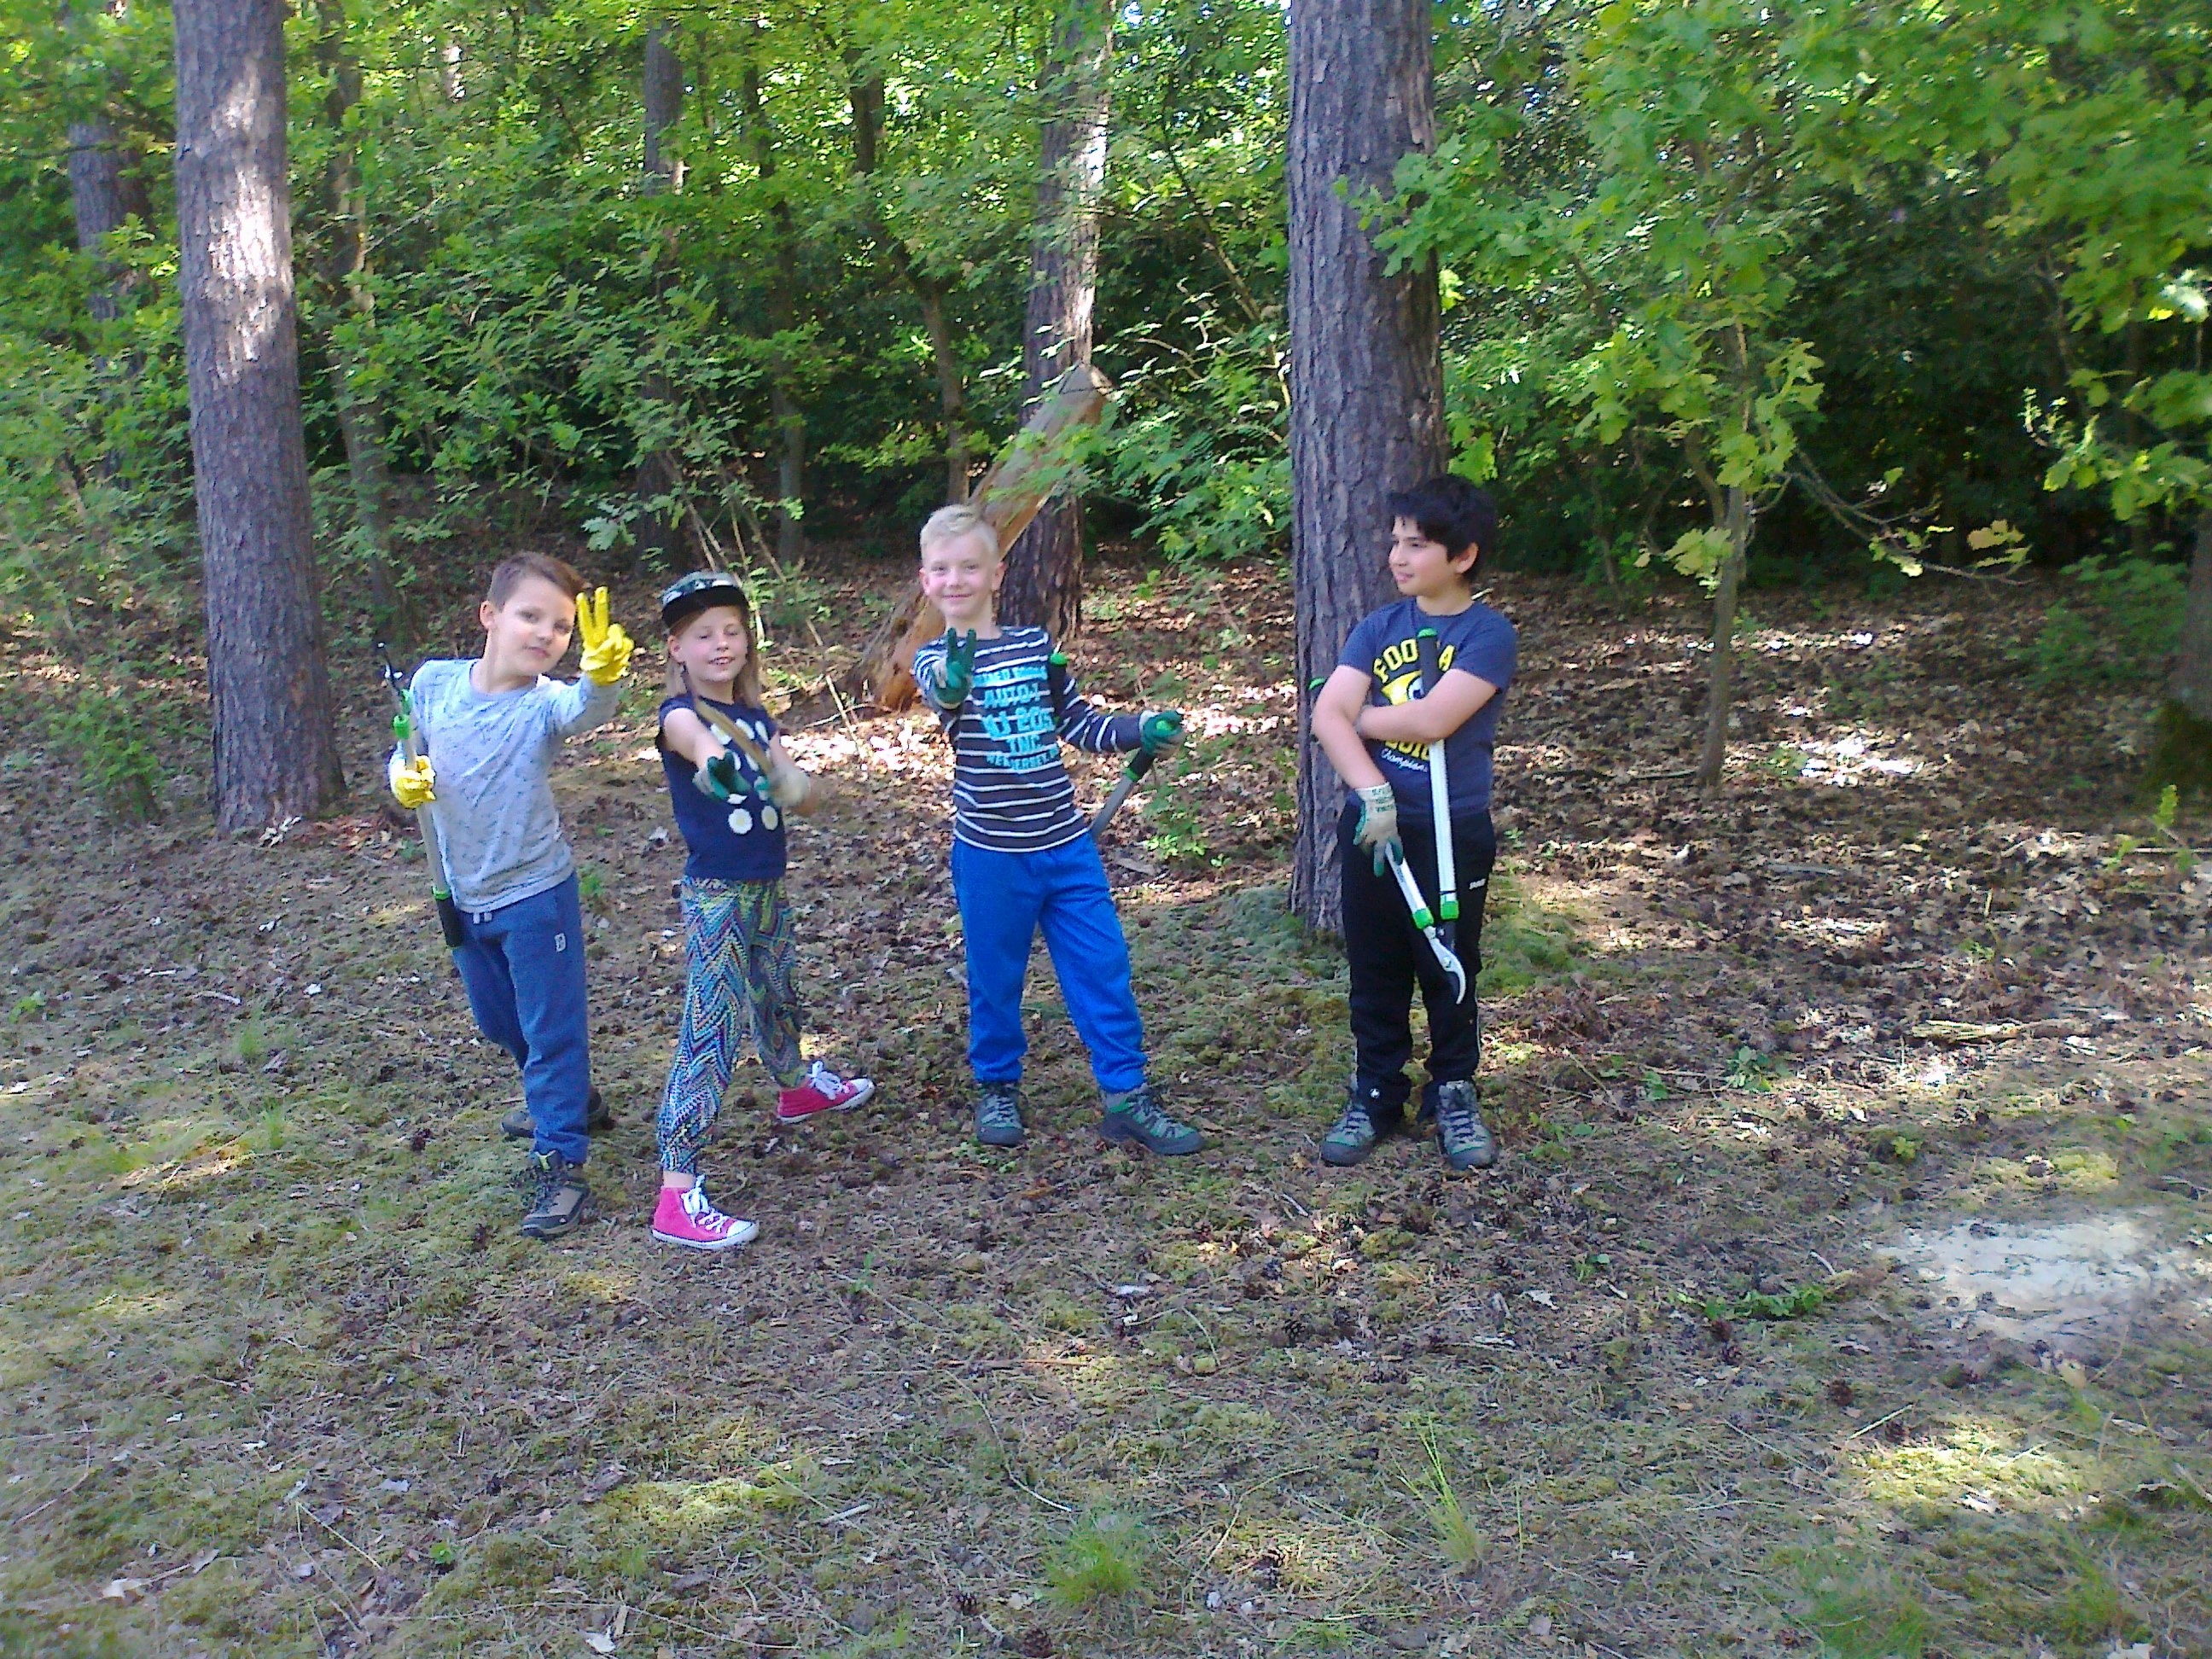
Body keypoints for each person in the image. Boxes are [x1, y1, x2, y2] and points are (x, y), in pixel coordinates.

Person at [908, 504, 1202, 1155]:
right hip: (991, 855)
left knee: (1103, 966)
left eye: (969, 567)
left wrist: (1137, 729)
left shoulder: (1035, 648)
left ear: (996, 574)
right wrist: (955, 682)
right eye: (940, 569)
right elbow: (943, 692)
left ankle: (1126, 1094)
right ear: (925, 580)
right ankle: (997, 1085)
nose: (955, 579)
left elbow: (1079, 722)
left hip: (1065, 847)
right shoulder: (931, 659)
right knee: (995, 976)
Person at [387, 551, 633, 1238]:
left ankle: (560, 1164)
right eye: (531, 616)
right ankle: (572, 1100)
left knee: (551, 1031)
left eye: (560, 627)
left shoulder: (547, 702)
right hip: (462, 891)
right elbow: (405, 748)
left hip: (535, 894)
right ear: (490, 616)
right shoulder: (434, 683)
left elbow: (589, 707)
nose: (545, 635)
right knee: (501, 1022)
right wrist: (399, 780)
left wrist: (602, 676)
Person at [647, 571, 874, 1251]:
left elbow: (797, 791)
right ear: (676, 649)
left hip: (766, 886)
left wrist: (798, 785)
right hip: (716, 895)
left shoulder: (756, 718)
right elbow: (697, 747)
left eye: (732, 631)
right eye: (703, 635)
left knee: (779, 993)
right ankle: (677, 1191)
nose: (721, 645)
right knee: (711, 1030)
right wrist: (720, 765)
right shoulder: (682, 716)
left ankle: (796, 1085)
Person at [1308, 476, 1517, 1172]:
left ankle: (1453, 1089)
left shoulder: (1487, 634)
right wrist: (1373, 794)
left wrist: (1359, 718)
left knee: (1450, 961)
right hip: (1377, 827)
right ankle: (1375, 1090)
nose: (1398, 557)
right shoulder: (1377, 629)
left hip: (1451, 829)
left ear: (1462, 557)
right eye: (1395, 542)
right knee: (1376, 964)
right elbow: (1322, 719)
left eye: (1416, 545)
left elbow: (1431, 720)